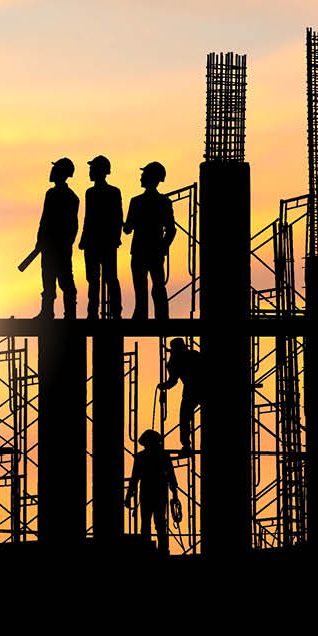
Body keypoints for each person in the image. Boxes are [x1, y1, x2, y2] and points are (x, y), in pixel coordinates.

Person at [123, 161, 177, 322]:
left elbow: (128, 229)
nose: (141, 177)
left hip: (141, 250)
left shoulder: (137, 201)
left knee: (141, 285)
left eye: (143, 174)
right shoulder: (164, 202)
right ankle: (161, 316)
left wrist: (120, 222)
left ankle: (141, 315)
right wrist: (163, 246)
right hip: (154, 250)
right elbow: (171, 230)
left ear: (150, 177)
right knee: (157, 285)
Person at [29, 158, 79, 320]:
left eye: (55, 169)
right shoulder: (51, 194)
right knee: (48, 278)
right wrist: (40, 241)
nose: (51, 172)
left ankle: (70, 313)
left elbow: (72, 225)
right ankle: (47, 311)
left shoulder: (70, 197)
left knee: (65, 280)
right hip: (48, 247)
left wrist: (64, 244)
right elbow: (44, 220)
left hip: (60, 247)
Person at [79, 155, 123, 320]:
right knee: (94, 279)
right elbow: (88, 217)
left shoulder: (112, 192)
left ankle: (114, 312)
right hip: (95, 242)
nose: (89, 172)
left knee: (109, 278)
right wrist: (84, 239)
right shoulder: (90, 193)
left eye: (92, 169)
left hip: (104, 242)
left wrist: (115, 237)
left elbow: (117, 216)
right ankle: (94, 312)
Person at [125, 429, 179, 556]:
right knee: (159, 523)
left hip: (148, 494)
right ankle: (161, 550)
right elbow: (171, 477)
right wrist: (175, 494)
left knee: (149, 523)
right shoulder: (163, 456)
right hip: (158, 493)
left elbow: (134, 479)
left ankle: (149, 550)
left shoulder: (141, 457)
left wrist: (128, 496)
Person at [161, 336, 202, 455]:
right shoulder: (194, 354)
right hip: (199, 389)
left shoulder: (175, 359)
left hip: (191, 390)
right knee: (185, 416)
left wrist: (165, 386)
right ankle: (186, 444)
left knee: (184, 417)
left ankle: (186, 445)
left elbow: (173, 380)